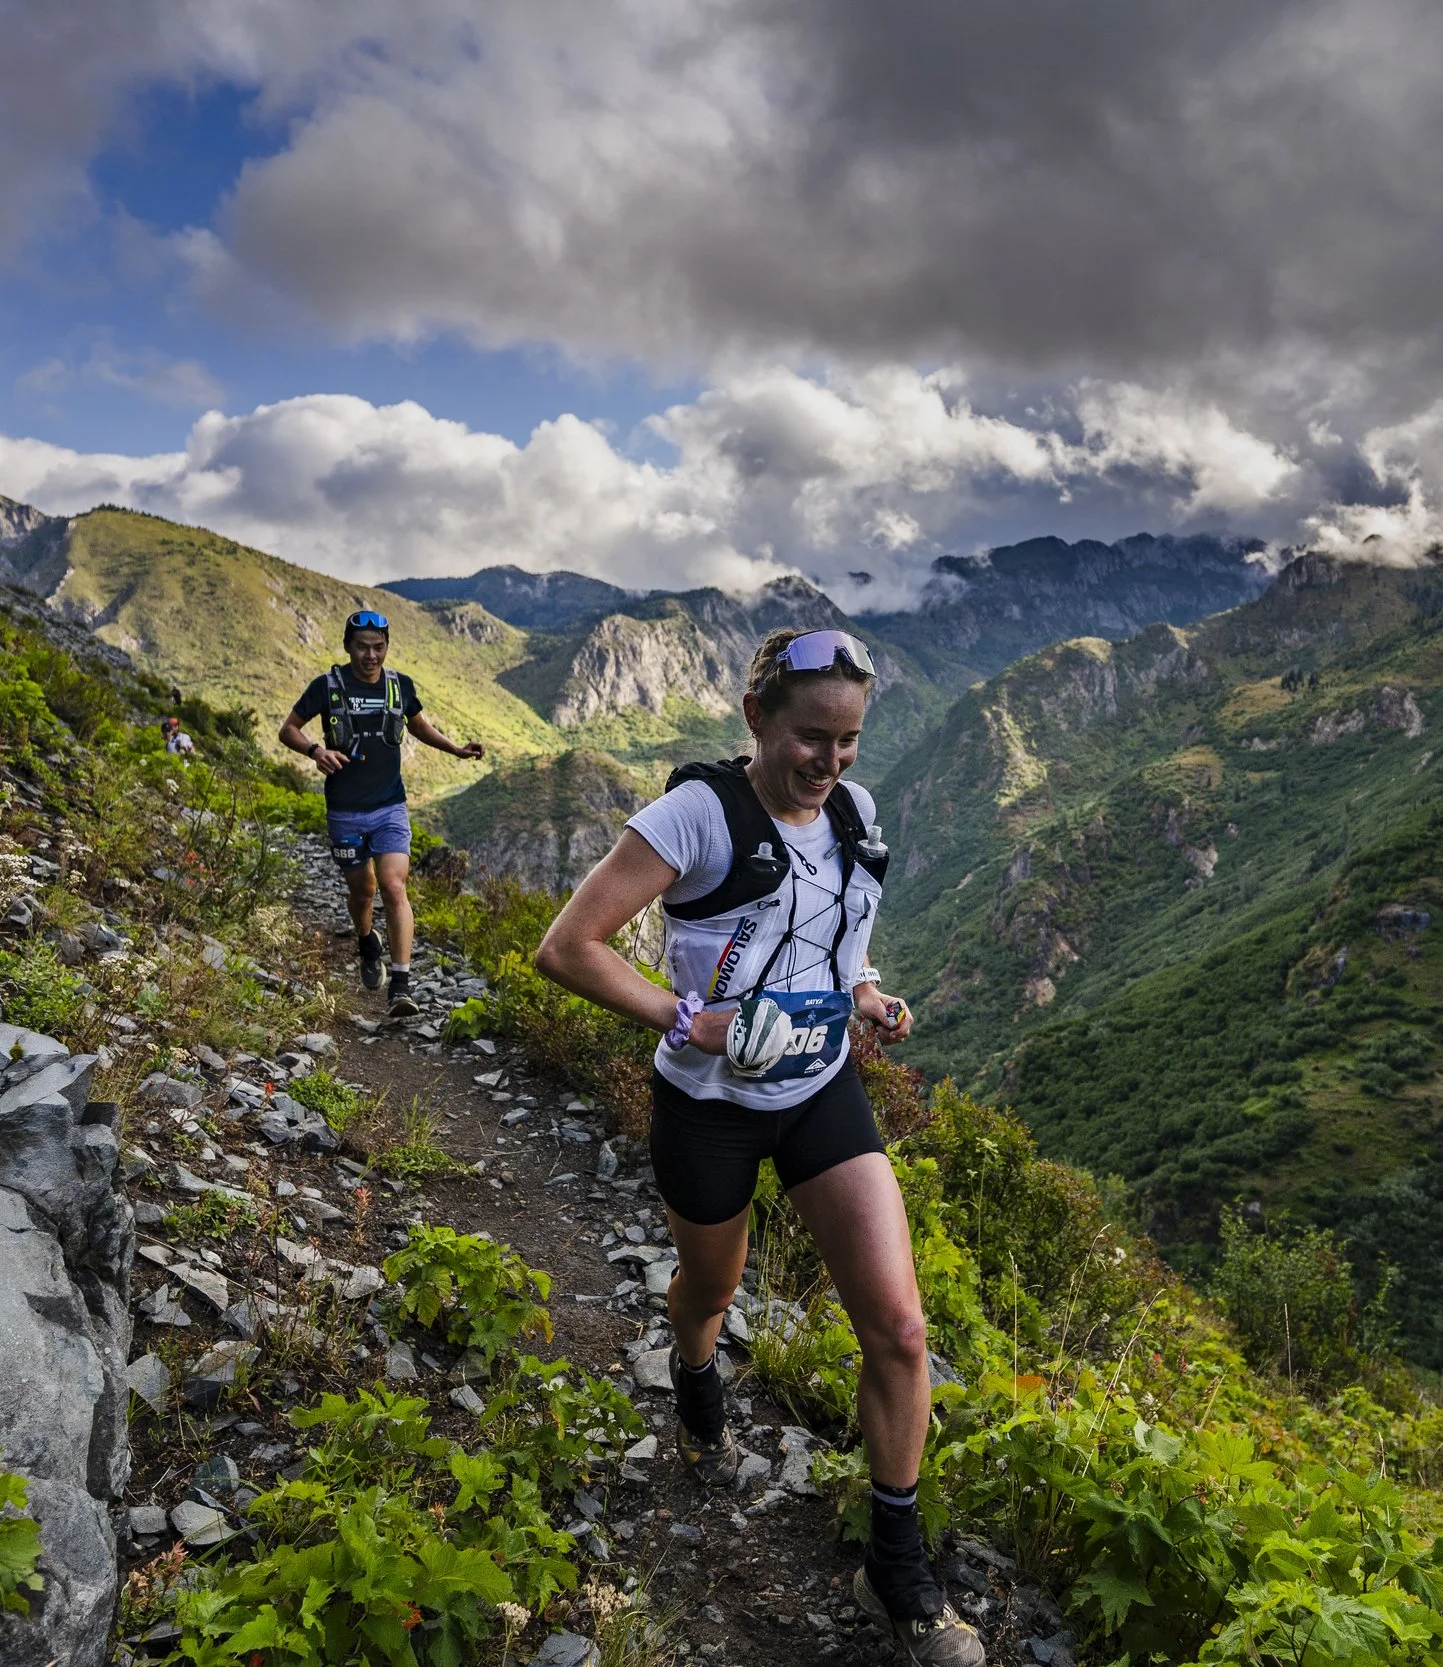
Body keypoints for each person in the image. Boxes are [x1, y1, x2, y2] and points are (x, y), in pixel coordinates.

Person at [532, 627, 982, 1667]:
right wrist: (684, 1015)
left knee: (902, 1331)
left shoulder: (857, 816)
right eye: (810, 739)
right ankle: (695, 1376)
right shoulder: (697, 813)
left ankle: (898, 1568)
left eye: (850, 741)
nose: (829, 764)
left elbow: (841, 943)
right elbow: (567, 947)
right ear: (756, 721)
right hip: (711, 1106)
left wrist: (870, 995)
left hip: (820, 1088)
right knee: (708, 1290)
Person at [278, 608, 483, 1016]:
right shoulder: (327, 686)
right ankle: (366, 938)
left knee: (392, 886)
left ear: (387, 647)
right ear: (347, 647)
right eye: (362, 648)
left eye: (378, 647)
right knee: (363, 890)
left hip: (390, 806)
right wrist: (315, 751)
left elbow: (420, 728)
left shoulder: (399, 686)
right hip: (345, 812)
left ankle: (401, 986)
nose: (370, 656)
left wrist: (457, 750)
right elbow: (288, 729)